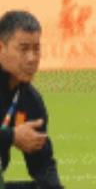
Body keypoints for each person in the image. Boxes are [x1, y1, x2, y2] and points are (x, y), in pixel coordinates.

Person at [0, 11, 63, 189]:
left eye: (36, 49)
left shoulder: (30, 101)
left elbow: (42, 164)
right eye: (23, 49)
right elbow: (12, 136)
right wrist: (11, 136)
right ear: (1, 48)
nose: (31, 58)